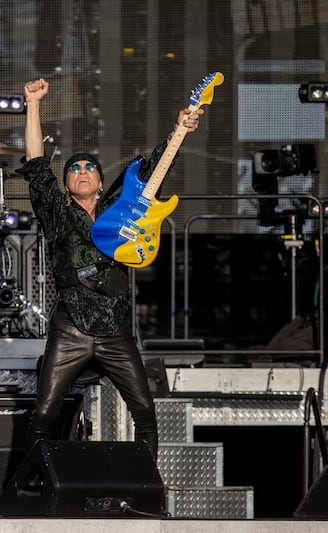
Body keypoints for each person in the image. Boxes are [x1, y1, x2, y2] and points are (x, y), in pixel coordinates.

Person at [19, 78, 204, 460]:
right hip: (70, 326)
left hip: (116, 329)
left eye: (90, 167)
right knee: (44, 412)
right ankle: (30, 483)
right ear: (68, 182)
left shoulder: (120, 211)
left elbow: (155, 171)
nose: (82, 170)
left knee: (146, 411)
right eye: (74, 168)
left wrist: (180, 128)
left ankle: (147, 480)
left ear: (101, 182)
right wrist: (33, 105)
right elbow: (37, 166)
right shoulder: (57, 213)